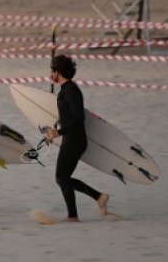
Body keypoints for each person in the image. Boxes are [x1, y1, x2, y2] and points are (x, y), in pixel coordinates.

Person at [44, 54, 110, 222]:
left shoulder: (71, 91)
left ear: (58, 72)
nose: (51, 74)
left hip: (75, 141)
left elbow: (79, 117)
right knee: (62, 177)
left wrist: (60, 132)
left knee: (61, 177)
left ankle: (79, 211)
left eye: (52, 70)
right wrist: (57, 128)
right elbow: (69, 115)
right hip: (72, 139)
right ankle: (93, 201)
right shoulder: (66, 89)